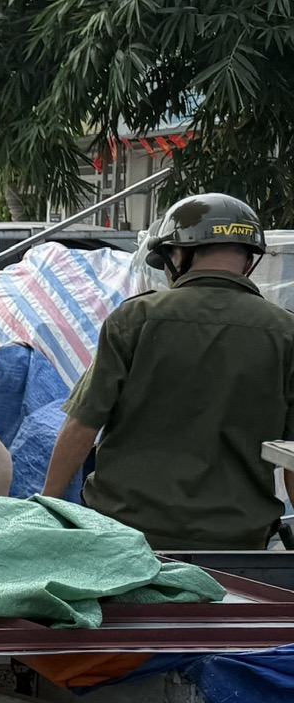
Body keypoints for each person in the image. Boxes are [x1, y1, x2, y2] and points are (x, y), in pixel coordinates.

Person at [43, 194, 294, 550]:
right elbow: (292, 456)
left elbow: (82, 424)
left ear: (178, 254)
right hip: (237, 539)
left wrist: (47, 505)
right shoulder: (286, 333)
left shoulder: (136, 319)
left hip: (125, 531)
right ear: (249, 258)